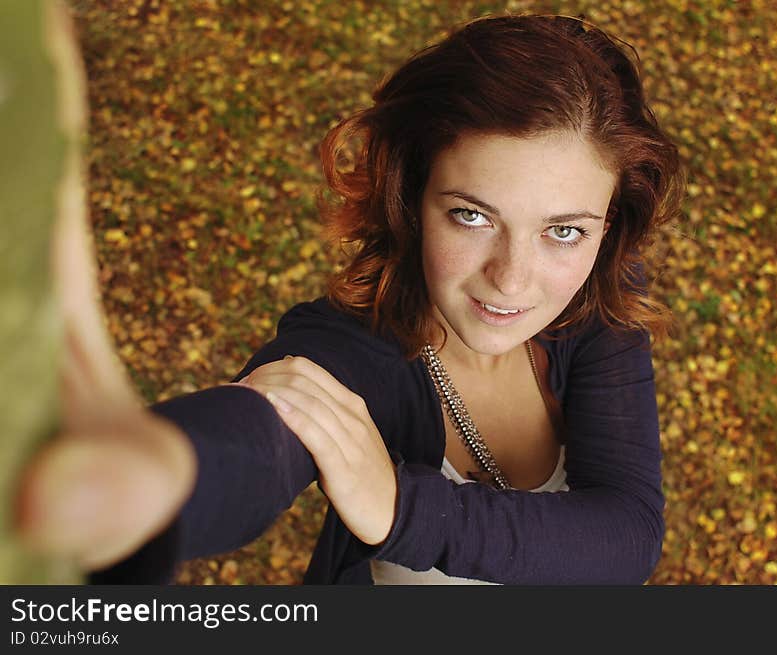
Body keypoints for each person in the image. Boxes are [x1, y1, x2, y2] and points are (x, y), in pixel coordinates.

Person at [16, 13, 683, 584]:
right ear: (414, 197)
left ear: (608, 222)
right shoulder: (355, 350)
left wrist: (397, 505)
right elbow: (264, 440)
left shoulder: (602, 298)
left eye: (563, 231)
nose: (512, 279)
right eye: (473, 216)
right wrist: (156, 481)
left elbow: (626, 532)